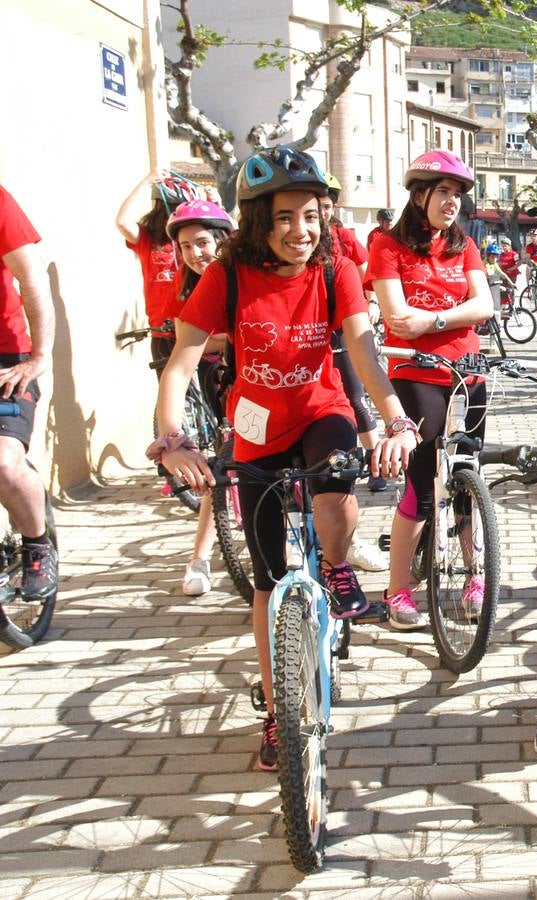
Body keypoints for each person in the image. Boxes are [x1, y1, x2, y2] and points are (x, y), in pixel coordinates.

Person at [151, 144, 417, 770]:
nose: (302, 231)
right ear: (257, 222)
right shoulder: (228, 276)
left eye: (312, 215)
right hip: (256, 427)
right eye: (285, 218)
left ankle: (334, 566)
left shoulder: (333, 270)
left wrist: (393, 417)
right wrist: (171, 438)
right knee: (268, 582)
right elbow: (181, 361)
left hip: (321, 410)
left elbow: (362, 351)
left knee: (338, 494)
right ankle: (276, 713)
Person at [369, 149, 494, 631]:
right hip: (415, 373)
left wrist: (435, 319)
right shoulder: (387, 245)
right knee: (422, 483)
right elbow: (398, 317)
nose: (452, 203)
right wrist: (422, 324)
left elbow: (483, 306)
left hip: (468, 370)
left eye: (458, 195)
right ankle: (397, 587)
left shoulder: (464, 246)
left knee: (467, 476)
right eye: (443, 192)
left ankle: (474, 574)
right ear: (419, 195)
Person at [164, 199, 236, 595]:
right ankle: (200, 558)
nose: (195, 254)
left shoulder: (245, 275)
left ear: (224, 240)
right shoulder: (186, 287)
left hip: (255, 372)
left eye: (203, 243)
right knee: (223, 464)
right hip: (216, 373)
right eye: (186, 246)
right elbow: (185, 342)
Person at [319, 173, 390, 517]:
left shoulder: (342, 237)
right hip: (313, 329)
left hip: (346, 323)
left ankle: (376, 462)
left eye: (326, 205)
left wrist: (371, 305)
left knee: (356, 395)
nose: (320, 212)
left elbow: (365, 273)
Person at [0, 185, 57, 602]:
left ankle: (37, 546)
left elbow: (31, 274)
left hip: (6, 358)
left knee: (3, 462)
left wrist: (40, 355)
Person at [115, 170, 197, 361]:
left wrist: (215, 205)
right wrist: (146, 181)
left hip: (196, 327)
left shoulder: (194, 239)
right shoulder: (147, 239)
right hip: (163, 331)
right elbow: (122, 222)